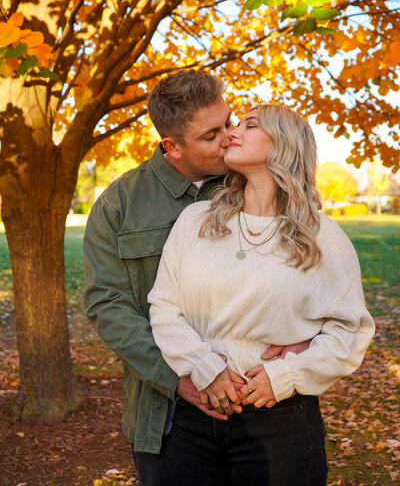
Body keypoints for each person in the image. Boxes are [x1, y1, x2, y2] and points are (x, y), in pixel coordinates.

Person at [83, 71, 309, 486]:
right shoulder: (120, 204)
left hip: (262, 404)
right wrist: (179, 378)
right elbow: (107, 304)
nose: (229, 137)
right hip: (166, 412)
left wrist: (307, 334)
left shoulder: (255, 181)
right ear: (172, 146)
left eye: (229, 122)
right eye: (211, 135)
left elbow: (312, 270)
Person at [148, 103, 375, 486]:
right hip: (197, 417)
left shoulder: (322, 236)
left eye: (249, 125)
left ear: (284, 144)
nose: (231, 131)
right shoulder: (196, 222)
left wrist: (286, 374)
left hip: (280, 422)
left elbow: (350, 332)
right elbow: (165, 308)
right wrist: (205, 368)